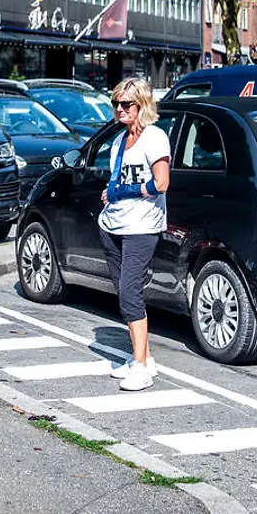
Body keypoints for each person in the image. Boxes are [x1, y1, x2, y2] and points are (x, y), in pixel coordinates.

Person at [98, 77, 171, 392]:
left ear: (142, 105)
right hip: (112, 226)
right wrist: (110, 192)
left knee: (130, 294)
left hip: (141, 227)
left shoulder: (154, 137)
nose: (119, 109)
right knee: (124, 294)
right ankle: (144, 356)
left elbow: (161, 184)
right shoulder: (118, 140)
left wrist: (125, 191)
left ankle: (141, 368)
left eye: (126, 104)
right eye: (116, 103)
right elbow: (119, 180)